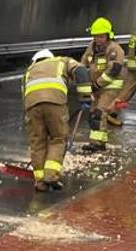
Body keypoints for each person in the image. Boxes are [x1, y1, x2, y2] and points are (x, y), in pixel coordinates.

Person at [22, 48, 90, 192]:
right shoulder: (62, 61)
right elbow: (81, 71)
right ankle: (51, 176)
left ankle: (40, 182)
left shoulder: (29, 71)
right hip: (55, 103)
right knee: (58, 138)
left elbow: (25, 95)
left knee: (37, 141)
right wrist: (85, 96)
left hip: (32, 107)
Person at [79, 18, 126, 151]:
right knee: (93, 113)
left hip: (111, 86)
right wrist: (83, 81)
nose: (98, 39)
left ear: (108, 35)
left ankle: (97, 144)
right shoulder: (92, 47)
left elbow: (114, 71)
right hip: (96, 87)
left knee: (99, 112)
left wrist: (97, 85)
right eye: (95, 36)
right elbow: (83, 64)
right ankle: (98, 141)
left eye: (101, 36)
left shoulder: (115, 49)